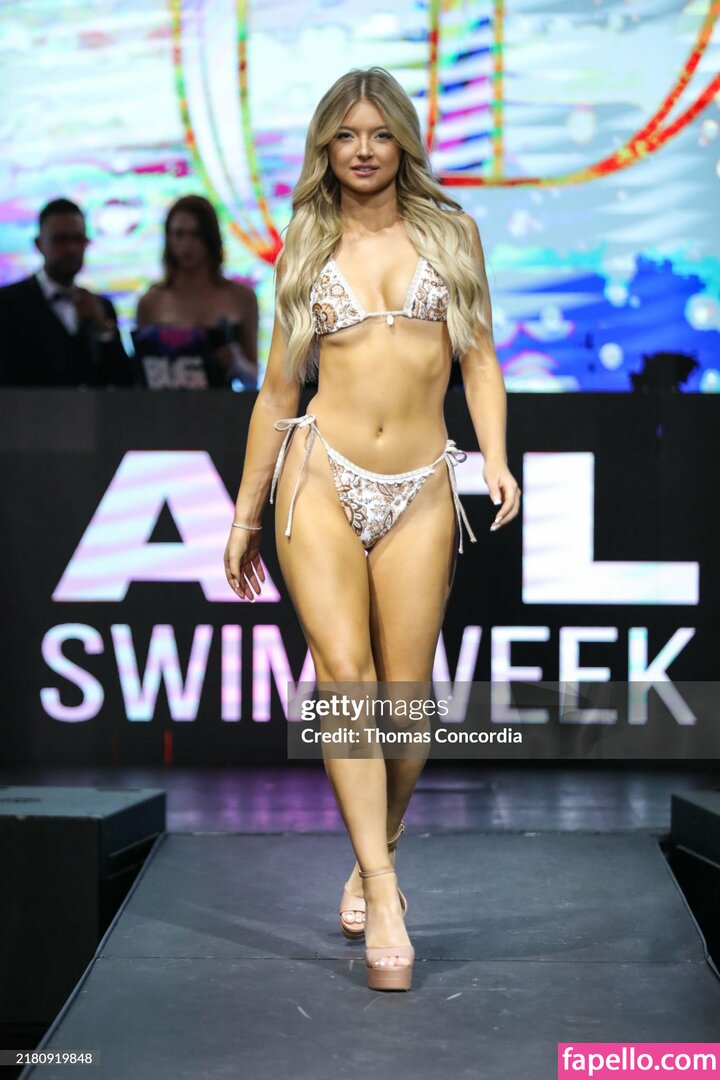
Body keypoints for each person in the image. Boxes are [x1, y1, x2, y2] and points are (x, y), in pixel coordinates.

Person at [223, 67, 521, 991]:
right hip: (318, 475)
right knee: (343, 677)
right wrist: (245, 515)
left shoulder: (451, 234)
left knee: (407, 703)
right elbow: (277, 393)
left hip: (423, 483)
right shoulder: (306, 244)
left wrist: (495, 457)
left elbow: (480, 361)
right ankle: (386, 892)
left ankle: (372, 849)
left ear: (403, 143)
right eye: (346, 134)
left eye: (380, 133)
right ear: (326, 145)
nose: (363, 149)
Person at [0, 198, 133, 387]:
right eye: (60, 240)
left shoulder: (101, 308)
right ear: (39, 244)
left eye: (78, 239)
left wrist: (103, 330)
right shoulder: (7, 303)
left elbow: (124, 383)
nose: (71, 249)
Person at [135, 195, 259, 388]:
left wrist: (238, 364)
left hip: (222, 404)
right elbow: (141, 377)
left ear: (210, 237)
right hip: (165, 405)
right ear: (168, 237)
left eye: (196, 234)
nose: (187, 244)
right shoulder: (150, 302)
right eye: (179, 234)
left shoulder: (241, 297)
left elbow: (254, 378)